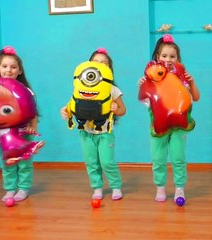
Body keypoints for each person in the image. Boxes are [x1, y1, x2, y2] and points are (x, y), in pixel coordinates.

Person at [139, 34, 200, 203]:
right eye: (164, 56)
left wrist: (192, 83)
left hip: (179, 126)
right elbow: (146, 101)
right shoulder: (152, 78)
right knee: (158, 158)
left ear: (178, 59)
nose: (168, 59)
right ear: (158, 58)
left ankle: (179, 189)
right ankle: (160, 187)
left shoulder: (182, 78)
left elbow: (196, 97)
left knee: (178, 157)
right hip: (158, 126)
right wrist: (143, 86)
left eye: (172, 56)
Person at [60, 48, 126, 200]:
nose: (100, 65)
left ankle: (115, 186)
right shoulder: (80, 87)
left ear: (109, 69)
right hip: (86, 133)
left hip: (105, 133)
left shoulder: (112, 89)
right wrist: (65, 111)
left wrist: (116, 109)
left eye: (104, 63)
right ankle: (97, 187)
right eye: (96, 62)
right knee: (91, 162)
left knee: (107, 162)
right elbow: (72, 104)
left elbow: (123, 110)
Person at [0, 46, 38, 202]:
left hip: (22, 131)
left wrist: (33, 127)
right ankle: (10, 189)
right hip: (2, 133)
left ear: (19, 71)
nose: (9, 70)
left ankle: (24, 188)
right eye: (5, 66)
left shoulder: (25, 90)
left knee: (24, 162)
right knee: (7, 162)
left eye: (13, 67)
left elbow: (33, 111)